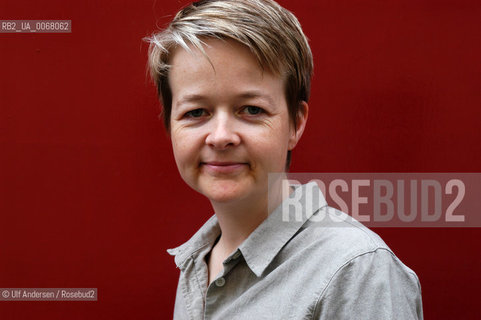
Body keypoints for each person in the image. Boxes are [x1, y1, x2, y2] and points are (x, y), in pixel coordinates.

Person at [146, 0, 423, 319]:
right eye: (196, 112)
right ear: (169, 125)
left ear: (295, 123)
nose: (221, 136)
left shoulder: (355, 270)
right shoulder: (195, 265)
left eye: (251, 109)